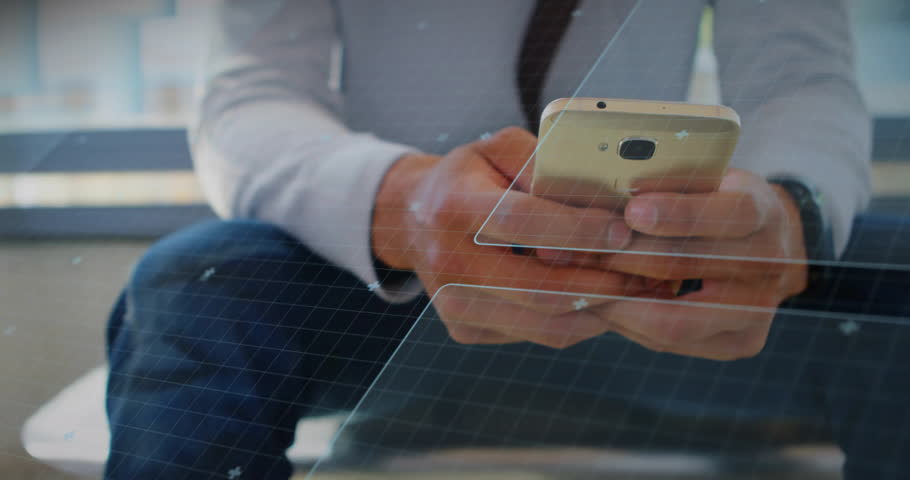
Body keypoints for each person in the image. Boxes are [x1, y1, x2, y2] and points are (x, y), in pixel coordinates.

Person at [104, 1, 909, 479]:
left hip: (657, 286)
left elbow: (801, 81)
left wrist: (786, 220)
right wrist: (404, 206)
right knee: (199, 280)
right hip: (392, 294)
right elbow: (251, 96)